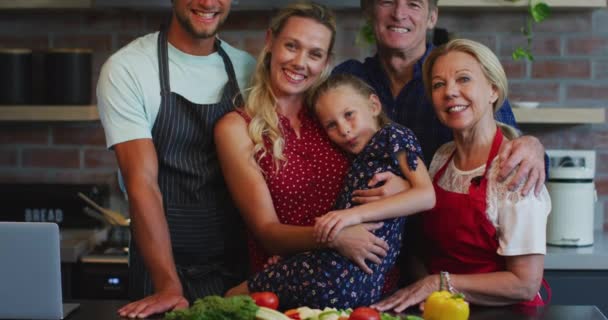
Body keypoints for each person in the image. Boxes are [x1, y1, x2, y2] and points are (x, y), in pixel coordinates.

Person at [96, 0, 256, 318]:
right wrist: (168, 285)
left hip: (239, 278)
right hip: (162, 278)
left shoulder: (249, 69)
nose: (209, 3)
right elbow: (142, 183)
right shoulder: (129, 69)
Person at [223, 73, 435, 309]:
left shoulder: (393, 136)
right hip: (348, 269)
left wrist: (351, 217)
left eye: (349, 115)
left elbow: (426, 196)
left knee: (297, 286)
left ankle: (229, 299)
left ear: (374, 105)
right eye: (331, 125)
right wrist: (293, 259)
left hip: (356, 274)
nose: (344, 130)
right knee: (295, 279)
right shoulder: (356, 158)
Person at [372, 39, 551, 313]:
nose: (450, 92)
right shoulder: (443, 157)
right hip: (445, 310)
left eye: (463, 79)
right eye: (438, 85)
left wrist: (438, 284)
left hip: (503, 314)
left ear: (493, 89)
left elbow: (524, 283)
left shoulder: (515, 169)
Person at [333, 0, 546, 198]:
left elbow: (517, 154)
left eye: (414, 4)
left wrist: (532, 145)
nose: (399, 14)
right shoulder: (347, 79)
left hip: (441, 229)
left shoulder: (463, 76)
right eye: (387, 1)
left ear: (432, 18)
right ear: (369, 12)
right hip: (362, 227)